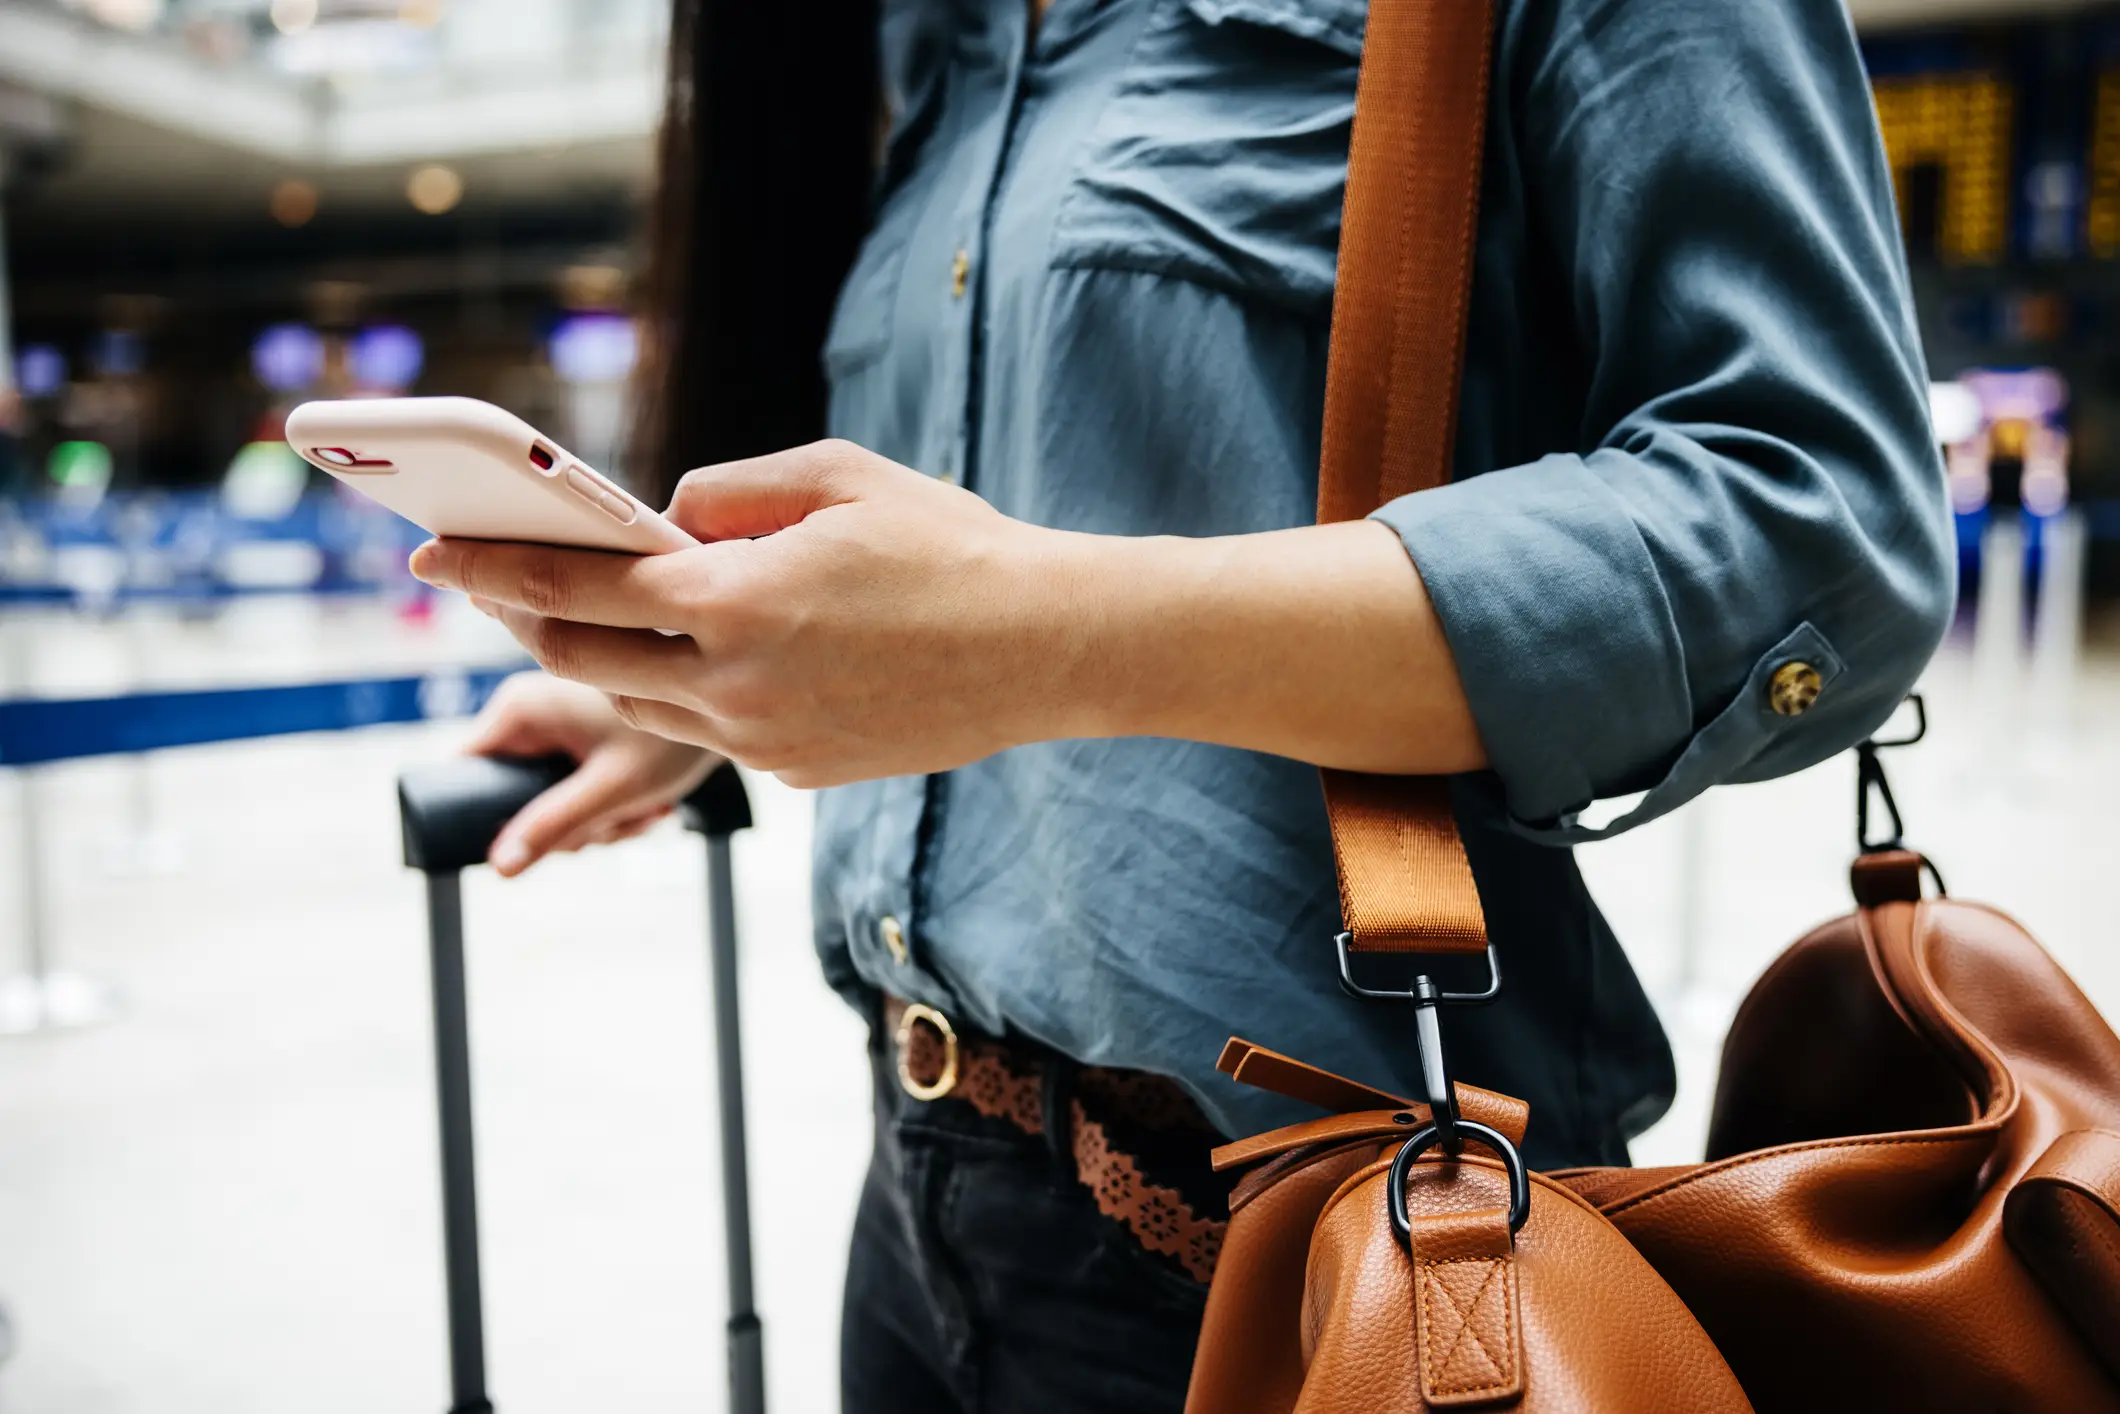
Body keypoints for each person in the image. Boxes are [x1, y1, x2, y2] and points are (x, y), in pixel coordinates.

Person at [416, 0, 1954, 1408]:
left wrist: (1045, 636)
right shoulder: (938, 41)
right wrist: (690, 685)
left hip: (1310, 1260)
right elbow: (1034, 492)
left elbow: (1819, 524)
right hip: (920, 1183)